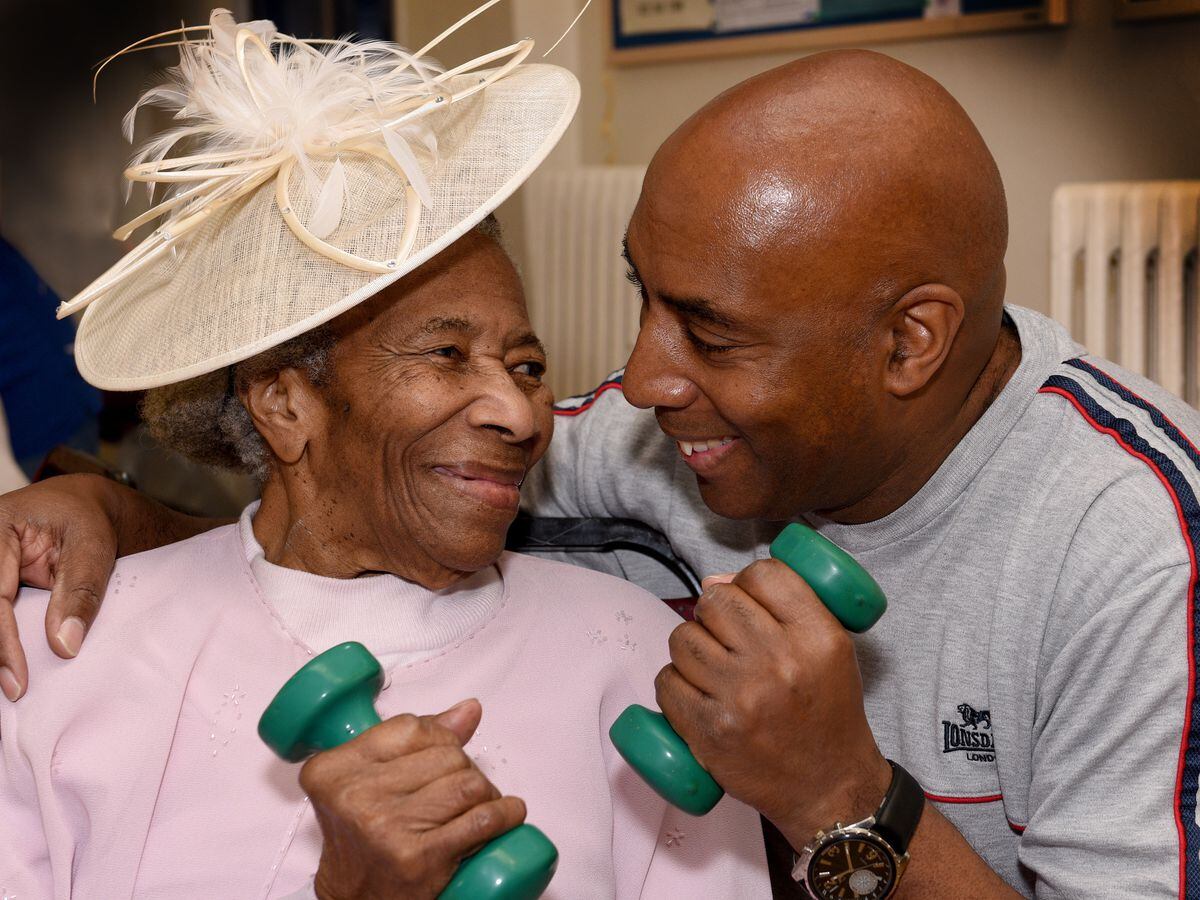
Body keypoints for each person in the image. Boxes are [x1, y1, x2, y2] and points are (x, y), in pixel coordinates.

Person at [1, 46, 1196, 900]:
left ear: (910, 342)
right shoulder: (638, 439)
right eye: (641, 299)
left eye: (709, 332)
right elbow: (346, 512)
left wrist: (839, 792)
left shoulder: (1136, 549)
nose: (624, 384)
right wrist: (108, 514)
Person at [0, 12, 769, 899]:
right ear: (284, 402)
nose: (520, 411)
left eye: (528, 366)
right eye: (446, 355)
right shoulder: (59, 658)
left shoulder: (640, 663)